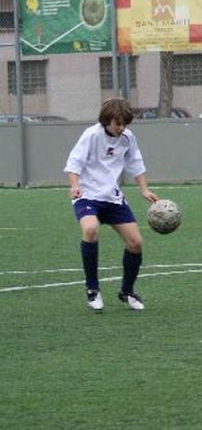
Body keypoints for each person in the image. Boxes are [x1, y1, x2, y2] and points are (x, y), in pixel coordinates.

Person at [64, 98, 159, 312]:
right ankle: (92, 289)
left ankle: (127, 291)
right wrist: (75, 186)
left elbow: (135, 162)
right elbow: (74, 163)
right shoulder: (91, 135)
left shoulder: (127, 137)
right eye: (117, 123)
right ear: (107, 120)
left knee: (135, 242)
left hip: (112, 197)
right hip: (87, 195)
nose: (121, 127)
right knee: (90, 229)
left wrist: (144, 189)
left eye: (124, 123)